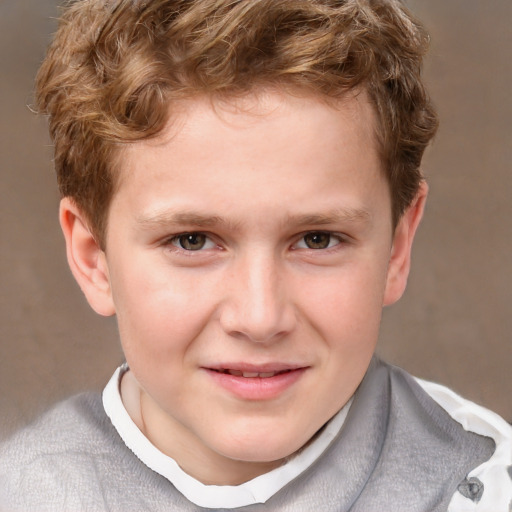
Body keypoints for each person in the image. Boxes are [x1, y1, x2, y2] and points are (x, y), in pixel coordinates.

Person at [1, 0, 510, 510]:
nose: (260, 318)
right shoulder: (23, 491)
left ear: (398, 247)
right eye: (192, 241)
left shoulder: (480, 486)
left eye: (317, 239)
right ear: (95, 260)